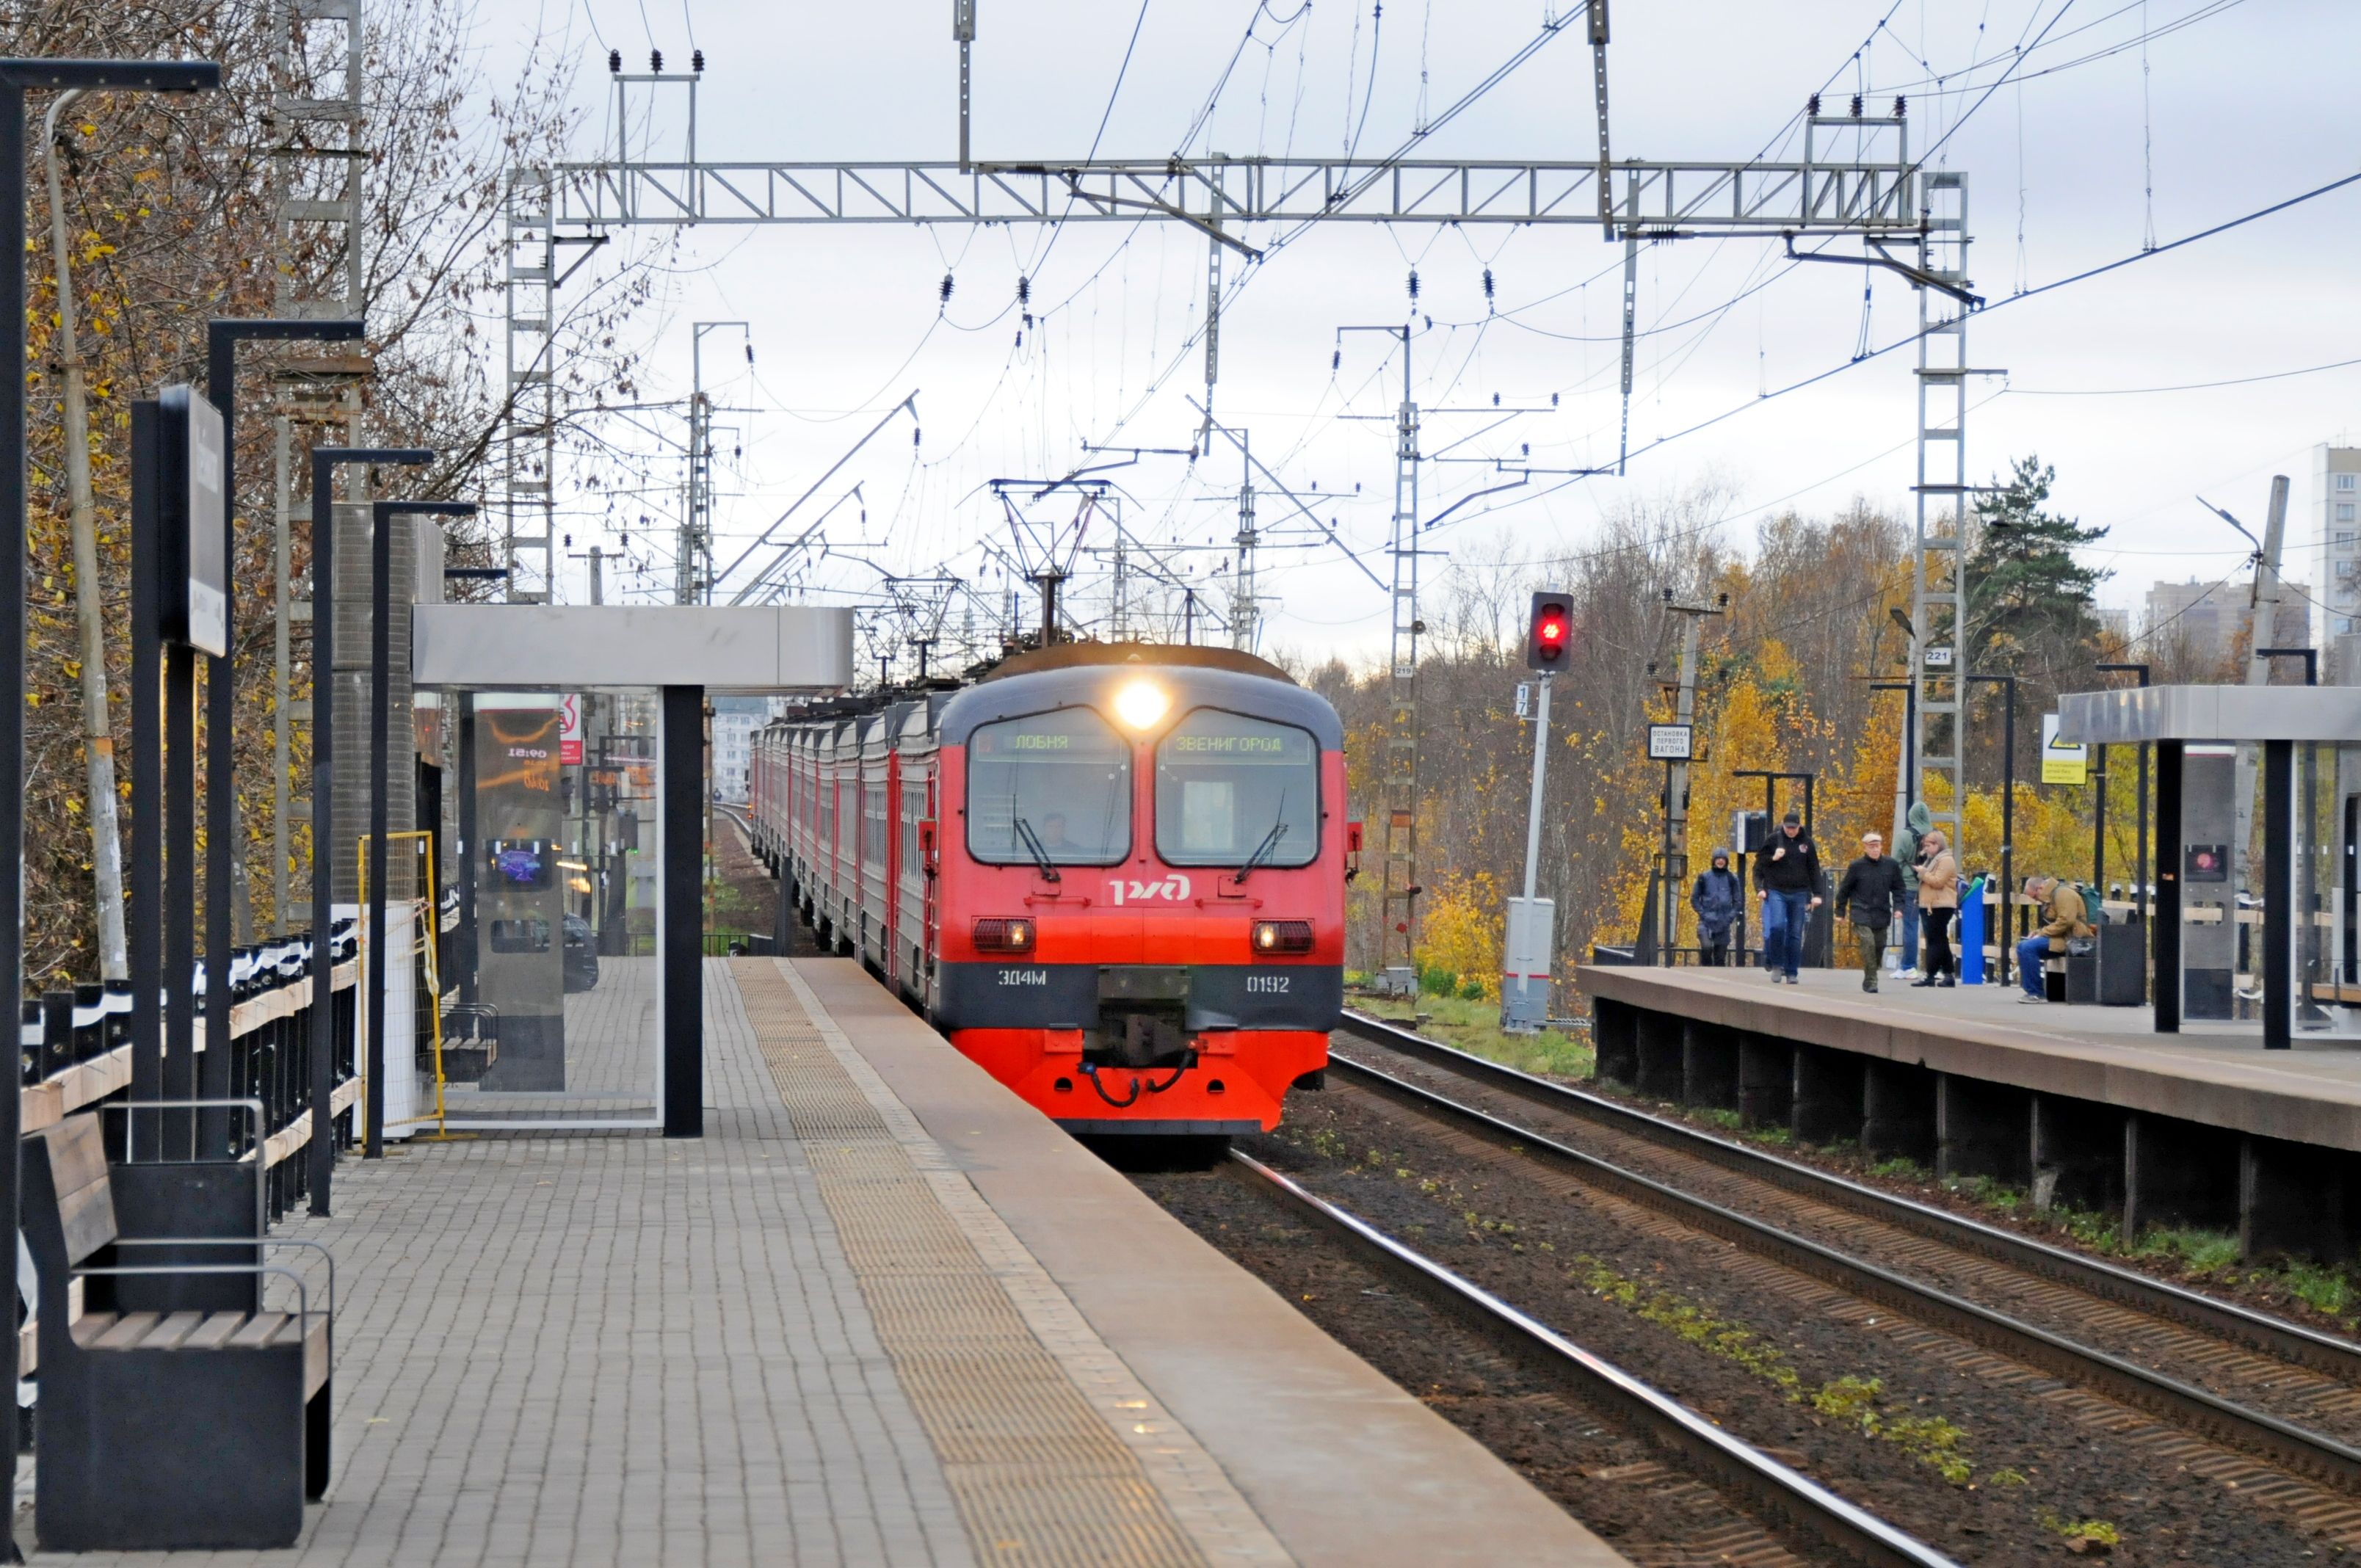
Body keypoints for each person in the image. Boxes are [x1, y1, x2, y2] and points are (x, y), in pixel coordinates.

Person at [1833, 830, 1906, 992]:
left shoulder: (1891, 865)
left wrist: (1899, 908)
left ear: (1881, 847)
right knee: (1868, 943)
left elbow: (1899, 888)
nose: (1875, 850)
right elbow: (1844, 890)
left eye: (1877, 846)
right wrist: (1840, 912)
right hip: (1861, 912)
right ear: (1865, 848)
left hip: (1881, 912)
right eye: (1871, 846)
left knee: (1879, 946)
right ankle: (1872, 981)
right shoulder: (1856, 867)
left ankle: (1871, 972)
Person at [1755, 811, 1822, 984]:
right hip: (1777, 890)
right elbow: (1760, 863)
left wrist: (1818, 894)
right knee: (1777, 926)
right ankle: (1777, 964)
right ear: (1783, 826)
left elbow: (1814, 868)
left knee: (1795, 933)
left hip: (1799, 892)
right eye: (1788, 827)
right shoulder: (1774, 840)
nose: (1791, 831)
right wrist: (1773, 858)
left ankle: (1792, 971)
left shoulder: (1807, 843)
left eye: (1794, 828)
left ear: (1799, 827)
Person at [2015, 874, 2094, 1003]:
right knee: (2023, 945)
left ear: (2040, 888)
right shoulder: (2052, 897)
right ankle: (2031, 990)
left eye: (2034, 896)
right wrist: (2038, 933)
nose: (2036, 900)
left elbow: (2066, 921)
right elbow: (2056, 923)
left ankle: (2036, 993)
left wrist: (2042, 934)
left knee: (2027, 948)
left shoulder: (2063, 894)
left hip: (2074, 940)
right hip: (2063, 937)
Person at [1910, 827, 1959, 987]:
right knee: (1940, 940)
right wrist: (1922, 863)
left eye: (1928, 845)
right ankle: (1948, 974)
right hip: (1930, 904)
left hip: (1940, 904)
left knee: (1934, 941)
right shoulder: (1932, 859)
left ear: (1937, 844)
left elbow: (1938, 882)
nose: (1926, 849)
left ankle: (1930, 974)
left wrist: (1923, 872)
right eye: (1925, 846)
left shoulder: (1946, 860)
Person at [1895, 801, 1932, 976]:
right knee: (1932, 927)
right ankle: (1936, 966)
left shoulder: (1904, 836)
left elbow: (1895, 862)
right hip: (1931, 887)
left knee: (1911, 926)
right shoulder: (1935, 836)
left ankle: (1909, 966)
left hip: (1909, 886)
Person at [1691, 848, 1742, 966]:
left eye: (1723, 859)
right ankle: (1705, 972)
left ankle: (1717, 979)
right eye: (1718, 859)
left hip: (1723, 922)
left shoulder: (1732, 879)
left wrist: (1730, 917)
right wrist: (1703, 913)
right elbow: (1694, 898)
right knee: (1707, 947)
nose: (1720, 861)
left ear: (1726, 861)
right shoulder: (1704, 877)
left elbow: (1737, 901)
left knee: (1720, 958)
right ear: (1713, 860)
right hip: (1706, 921)